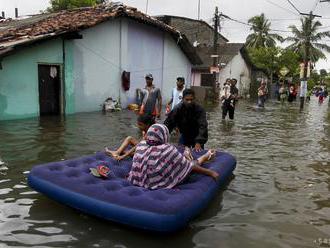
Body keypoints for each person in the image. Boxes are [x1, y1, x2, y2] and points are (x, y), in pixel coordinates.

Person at [127, 124, 219, 190]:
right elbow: (189, 166)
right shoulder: (168, 149)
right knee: (190, 164)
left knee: (182, 160)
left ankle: (197, 154)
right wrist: (210, 173)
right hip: (158, 182)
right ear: (165, 135)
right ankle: (205, 156)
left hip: (138, 180)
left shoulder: (141, 145)